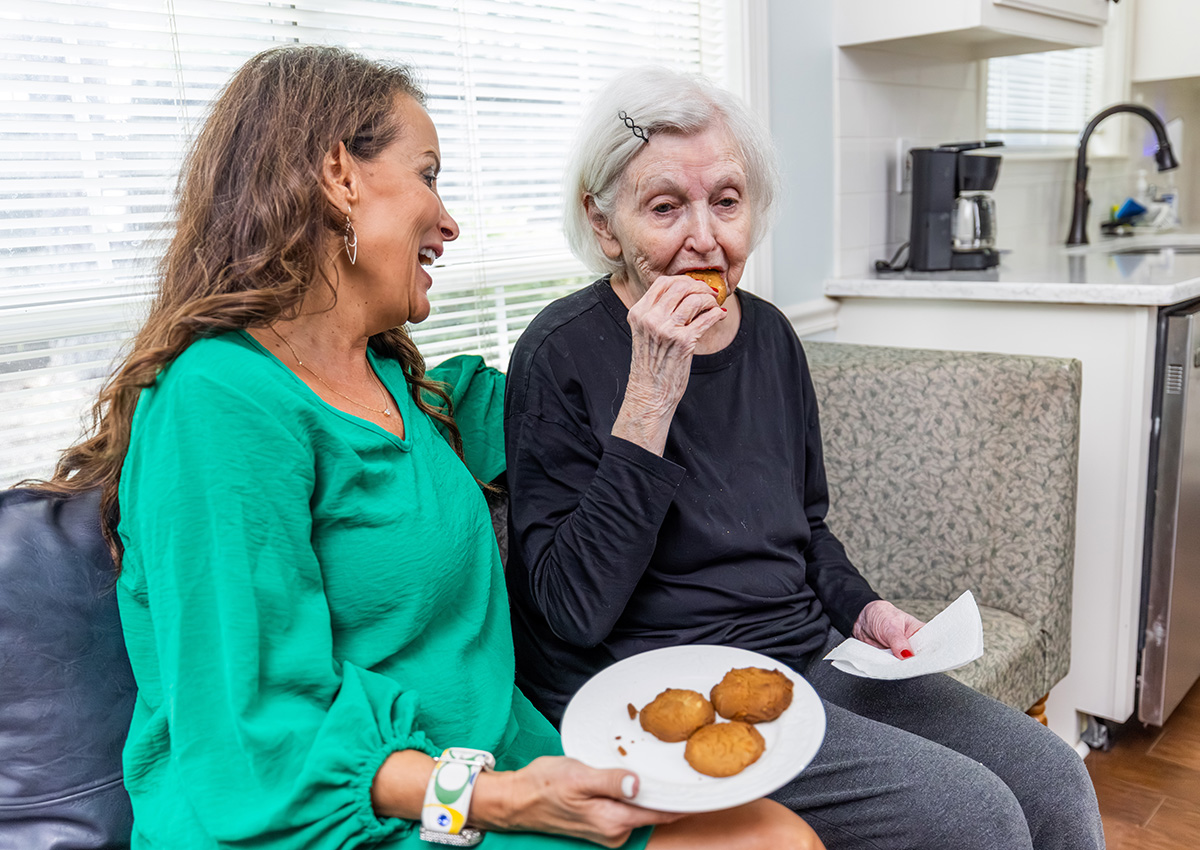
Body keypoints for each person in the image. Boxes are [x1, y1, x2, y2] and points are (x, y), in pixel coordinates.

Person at [37, 46, 820, 850]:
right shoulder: (217, 401)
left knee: (770, 833)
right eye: (428, 175)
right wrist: (500, 798)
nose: (449, 223)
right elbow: (252, 734)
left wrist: (689, 339)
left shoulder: (404, 387)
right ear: (339, 175)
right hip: (340, 815)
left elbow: (587, 406)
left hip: (488, 771)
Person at [503, 66, 1106, 850]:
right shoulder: (558, 353)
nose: (705, 238)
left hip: (800, 654)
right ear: (604, 223)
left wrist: (862, 608)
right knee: (976, 817)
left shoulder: (771, 336)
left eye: (726, 201)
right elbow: (572, 611)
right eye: (664, 207)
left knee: (1056, 778)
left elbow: (806, 528)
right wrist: (648, 398)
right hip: (655, 686)